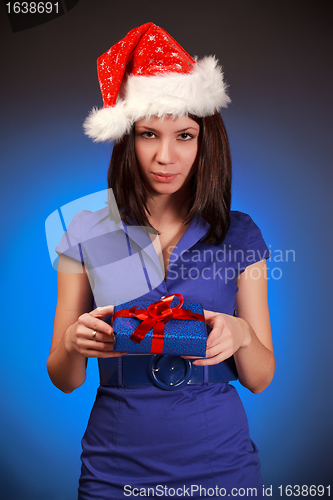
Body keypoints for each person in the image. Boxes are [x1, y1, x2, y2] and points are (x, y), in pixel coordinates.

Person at [47, 22, 275, 499]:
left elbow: (260, 377)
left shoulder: (241, 234)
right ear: (127, 139)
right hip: (114, 469)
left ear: (205, 140)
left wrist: (244, 335)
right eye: (149, 134)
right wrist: (72, 341)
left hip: (222, 468)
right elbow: (64, 378)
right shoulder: (87, 231)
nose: (165, 156)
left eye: (185, 136)